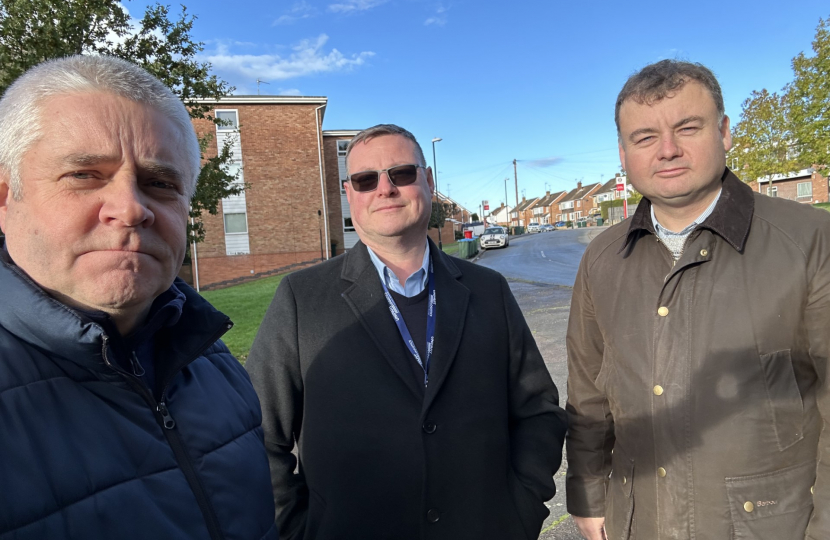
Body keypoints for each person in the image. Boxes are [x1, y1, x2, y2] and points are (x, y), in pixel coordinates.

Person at [0, 56, 277, 539]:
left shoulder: (215, 363)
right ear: (6, 198)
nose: (130, 209)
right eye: (85, 174)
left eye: (160, 184)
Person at [246, 124, 567, 540]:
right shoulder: (300, 299)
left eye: (401, 173)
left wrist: (521, 510)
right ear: (349, 194)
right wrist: (298, 530)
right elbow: (254, 436)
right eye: (366, 179)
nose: (385, 189)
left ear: (428, 181)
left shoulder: (489, 290)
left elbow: (539, 411)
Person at [566, 59, 830, 540]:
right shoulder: (602, 259)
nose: (667, 150)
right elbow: (588, 394)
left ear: (724, 132)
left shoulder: (810, 241)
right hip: (638, 522)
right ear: (623, 153)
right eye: (645, 137)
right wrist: (587, 496)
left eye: (687, 128)